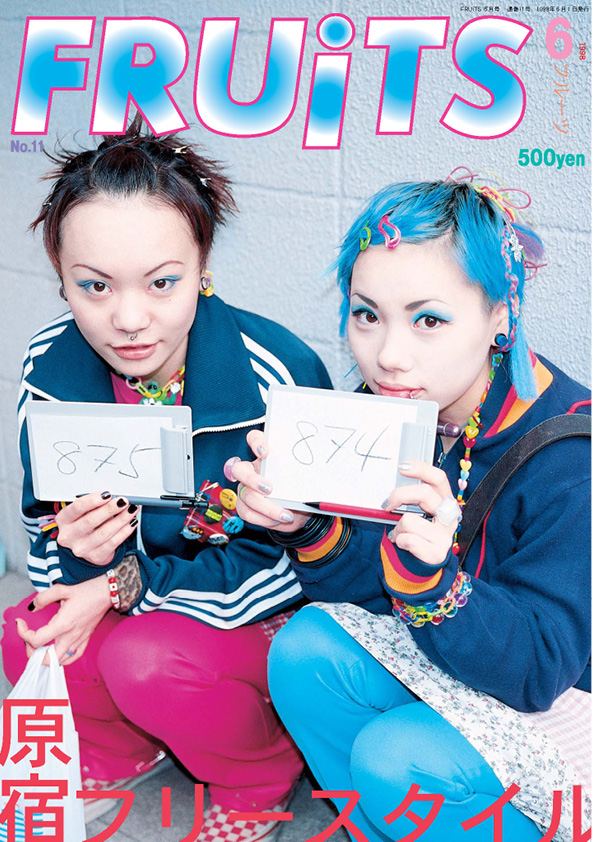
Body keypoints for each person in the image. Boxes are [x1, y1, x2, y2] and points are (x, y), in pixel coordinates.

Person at [227, 173, 591, 841]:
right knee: (305, 650)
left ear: (501, 315)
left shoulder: (570, 458)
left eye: (428, 320)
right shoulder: (390, 411)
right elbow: (366, 599)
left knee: (396, 757)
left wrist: (435, 583)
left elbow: (540, 673)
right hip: (455, 658)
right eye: (367, 315)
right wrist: (308, 526)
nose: (388, 357)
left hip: (558, 705)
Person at [1, 116, 332, 842]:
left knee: (143, 657)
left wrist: (122, 587)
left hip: (254, 611)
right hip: (138, 593)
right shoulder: (50, 366)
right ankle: (123, 749)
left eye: (161, 282)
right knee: (27, 629)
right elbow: (42, 523)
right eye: (93, 286)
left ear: (202, 263)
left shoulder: (276, 374)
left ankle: (257, 776)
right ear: (61, 275)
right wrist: (77, 558)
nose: (128, 319)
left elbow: (297, 564)